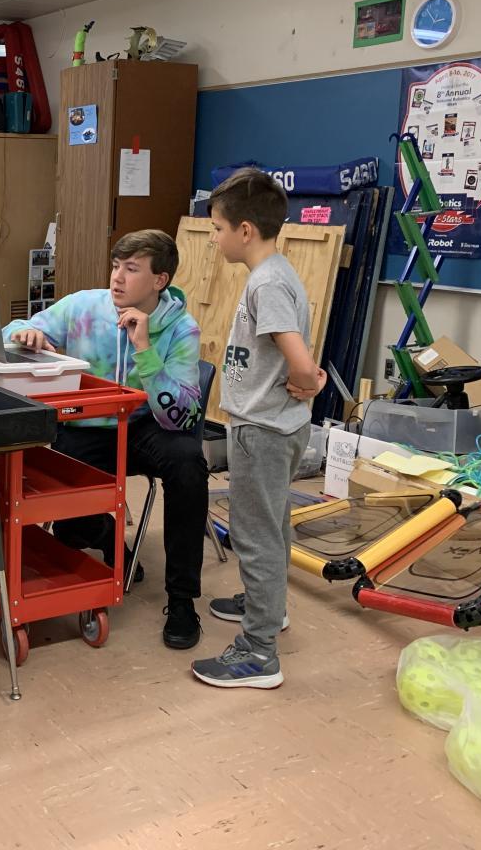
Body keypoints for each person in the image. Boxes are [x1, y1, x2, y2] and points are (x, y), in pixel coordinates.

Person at [3, 229, 208, 650]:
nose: (117, 277)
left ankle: (182, 600)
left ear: (159, 280)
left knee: (189, 464)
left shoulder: (181, 329)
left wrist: (145, 349)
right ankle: (108, 536)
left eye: (131, 269)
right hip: (87, 426)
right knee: (66, 519)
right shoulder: (83, 306)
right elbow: (14, 329)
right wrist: (27, 335)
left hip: (147, 426)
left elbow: (182, 415)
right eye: (116, 266)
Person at [192, 167, 325, 689]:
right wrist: (305, 378)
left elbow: (299, 359)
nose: (214, 238)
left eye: (218, 228)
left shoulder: (266, 282)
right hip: (277, 425)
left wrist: (308, 379)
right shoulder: (278, 272)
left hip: (262, 430)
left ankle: (258, 651)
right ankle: (266, 605)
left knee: (255, 535)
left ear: (245, 230)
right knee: (273, 525)